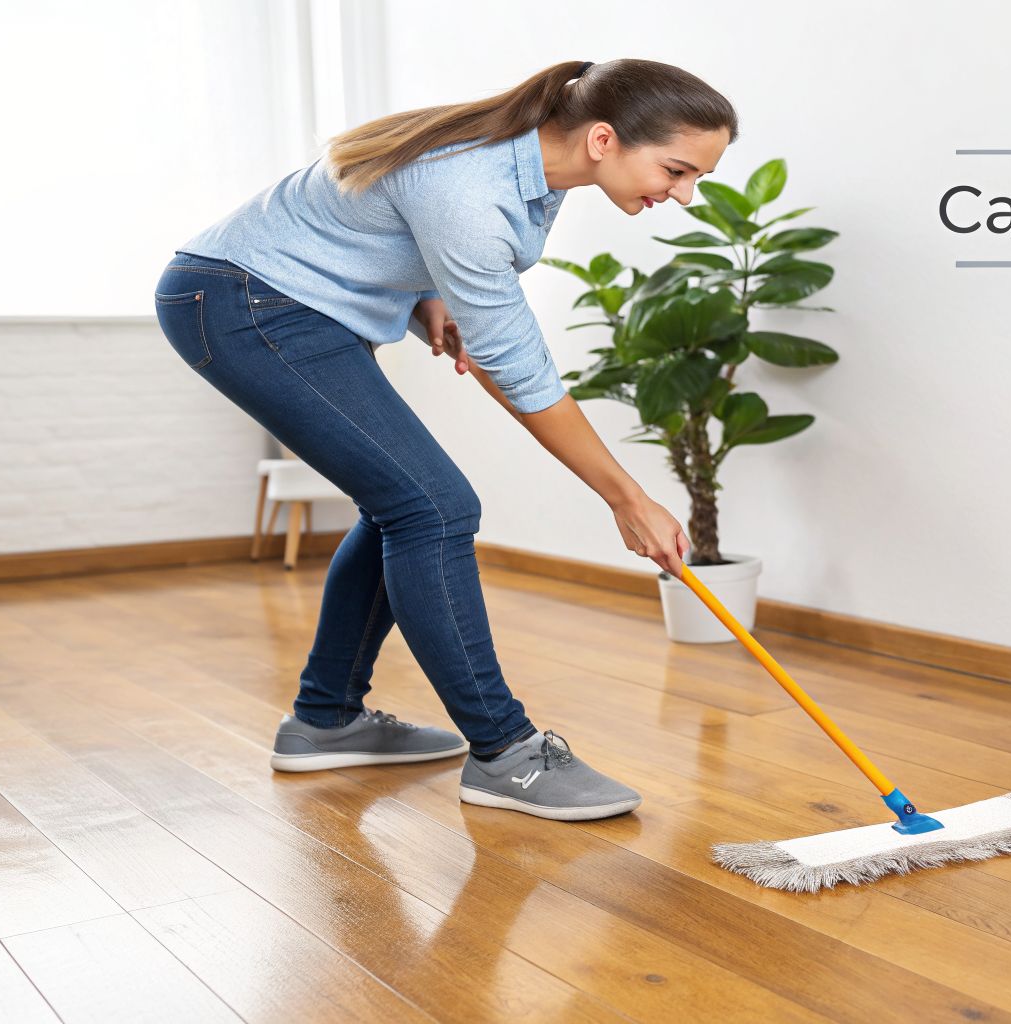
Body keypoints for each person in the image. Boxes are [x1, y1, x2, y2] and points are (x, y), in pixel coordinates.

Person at [152, 58, 736, 821]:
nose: (684, 194)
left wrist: (431, 296)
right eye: (678, 169)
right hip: (245, 305)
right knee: (433, 508)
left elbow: (396, 223)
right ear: (603, 138)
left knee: (408, 503)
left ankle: (326, 719)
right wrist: (626, 498)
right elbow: (516, 365)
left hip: (278, 303)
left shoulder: (531, 166)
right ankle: (506, 753)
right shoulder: (475, 186)